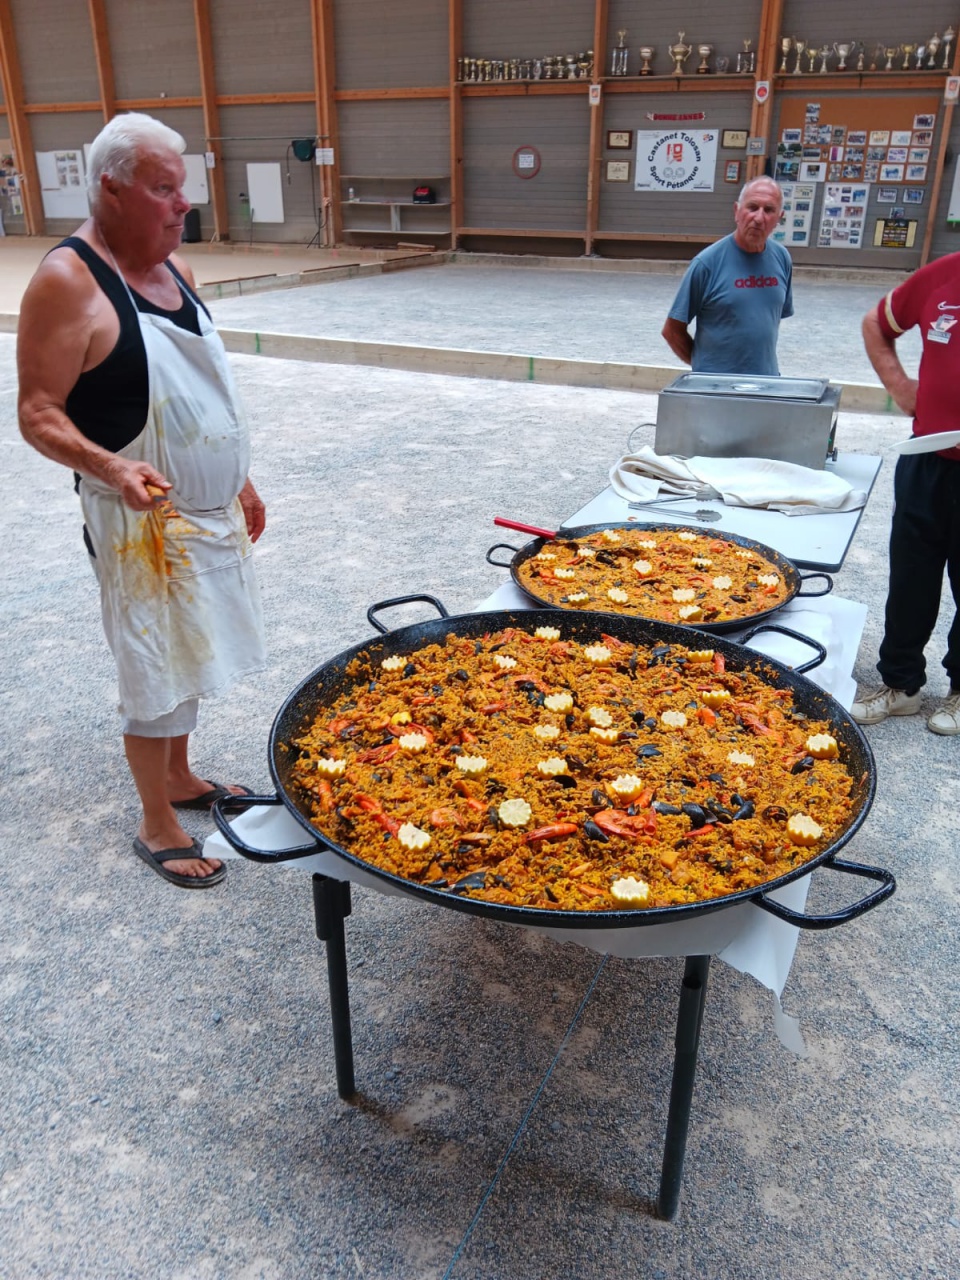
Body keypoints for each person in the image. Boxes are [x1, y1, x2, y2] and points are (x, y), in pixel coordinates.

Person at [18, 113, 267, 886]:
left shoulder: (177, 271)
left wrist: (240, 476)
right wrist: (111, 467)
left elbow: (204, 391)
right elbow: (37, 412)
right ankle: (155, 822)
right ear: (111, 190)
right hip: (137, 522)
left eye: (181, 187)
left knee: (196, 644)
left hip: (207, 511)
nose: (181, 203)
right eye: (163, 189)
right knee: (154, 663)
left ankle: (182, 779)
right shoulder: (68, 281)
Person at [850, 257, 960, 735]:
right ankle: (901, 685)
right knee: (910, 577)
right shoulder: (942, 275)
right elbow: (877, 322)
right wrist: (899, 384)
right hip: (926, 459)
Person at [661, 177, 793, 376]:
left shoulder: (782, 258)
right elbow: (672, 331)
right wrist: (705, 368)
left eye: (768, 210)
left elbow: (768, 320)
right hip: (717, 390)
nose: (758, 218)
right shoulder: (707, 264)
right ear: (736, 211)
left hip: (767, 385)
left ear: (779, 217)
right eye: (752, 207)